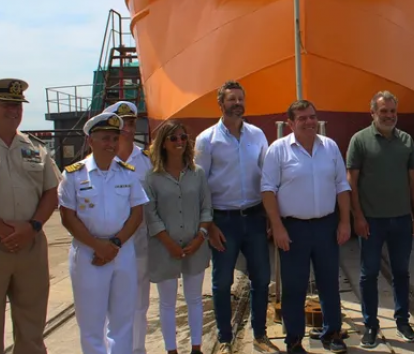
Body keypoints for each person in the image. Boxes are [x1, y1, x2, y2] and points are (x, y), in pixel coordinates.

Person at [0, 78, 61, 354]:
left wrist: (33, 227)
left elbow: (51, 190)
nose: (14, 111)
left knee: (33, 326)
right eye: (6, 105)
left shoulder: (36, 148)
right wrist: (1, 230)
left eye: (18, 105)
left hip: (30, 247)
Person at [261, 100, 351, 353]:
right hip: (293, 229)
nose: (309, 122)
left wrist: (345, 221)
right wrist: (277, 227)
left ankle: (332, 332)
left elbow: (341, 187)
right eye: (302, 118)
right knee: (294, 287)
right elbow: (267, 190)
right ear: (290, 123)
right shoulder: (278, 150)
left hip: (326, 226)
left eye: (312, 117)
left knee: (329, 283)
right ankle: (294, 341)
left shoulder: (330, 147)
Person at [194, 80, 277, 353]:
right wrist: (209, 224)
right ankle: (225, 336)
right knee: (221, 282)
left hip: (253, 216)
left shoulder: (257, 135)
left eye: (240, 98)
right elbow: (200, 185)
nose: (237, 103)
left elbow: (266, 177)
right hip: (224, 220)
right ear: (221, 103)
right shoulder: (207, 140)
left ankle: (260, 334)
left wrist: (269, 216)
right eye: (232, 99)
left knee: (262, 278)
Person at [58, 112, 150, 354]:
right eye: (104, 139)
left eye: (114, 138)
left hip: (122, 252)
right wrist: (99, 246)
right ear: (90, 141)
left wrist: (115, 244)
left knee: (123, 321)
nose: (110, 144)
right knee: (91, 323)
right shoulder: (74, 175)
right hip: (89, 254)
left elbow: (137, 214)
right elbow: (68, 217)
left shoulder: (127, 173)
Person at [347, 91, 414, 348]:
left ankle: (402, 322)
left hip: (401, 220)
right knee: (368, 273)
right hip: (371, 221)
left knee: (401, 273)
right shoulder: (359, 140)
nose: (389, 116)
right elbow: (352, 182)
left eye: (393, 111)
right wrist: (357, 216)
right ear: (373, 113)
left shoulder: (406, 140)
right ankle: (371, 325)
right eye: (384, 111)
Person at [145, 121, 213, 354]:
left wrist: (201, 236)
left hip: (196, 245)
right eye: (173, 138)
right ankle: (171, 350)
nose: (179, 142)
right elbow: (150, 215)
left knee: (194, 299)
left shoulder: (198, 173)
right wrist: (168, 243)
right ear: (163, 143)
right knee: (167, 303)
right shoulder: (151, 178)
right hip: (164, 249)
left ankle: (196, 348)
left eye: (183, 137)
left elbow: (206, 208)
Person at [102, 100, 153, 353]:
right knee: (110, 304)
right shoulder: (99, 160)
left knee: (139, 305)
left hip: (139, 243)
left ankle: (137, 349)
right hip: (106, 243)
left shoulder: (146, 161)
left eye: (131, 123)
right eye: (123, 124)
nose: (128, 129)